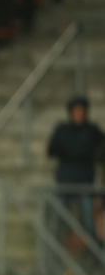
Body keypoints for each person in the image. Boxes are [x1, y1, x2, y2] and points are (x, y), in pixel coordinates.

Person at [47, 96, 104, 241]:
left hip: (85, 185)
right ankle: (51, 256)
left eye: (82, 110)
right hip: (65, 184)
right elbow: (52, 150)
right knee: (57, 222)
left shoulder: (92, 130)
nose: (79, 114)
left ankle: (93, 258)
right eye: (76, 110)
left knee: (89, 224)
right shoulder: (62, 129)